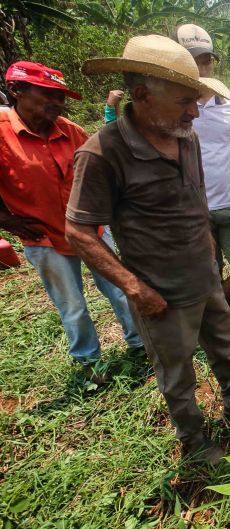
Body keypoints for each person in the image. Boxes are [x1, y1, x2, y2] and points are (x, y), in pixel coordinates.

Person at [65, 35, 230, 463]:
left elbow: (196, 201)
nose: (195, 110)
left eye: (198, 99)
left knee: (226, 349)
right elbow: (78, 231)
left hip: (204, 277)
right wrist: (134, 287)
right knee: (177, 373)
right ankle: (195, 442)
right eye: (186, 100)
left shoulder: (186, 137)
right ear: (143, 96)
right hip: (160, 294)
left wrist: (207, 249)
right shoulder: (102, 153)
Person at [0, 60, 142, 384]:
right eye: (48, 94)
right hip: (46, 237)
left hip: (92, 230)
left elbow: (100, 171)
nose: (57, 103)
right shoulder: (2, 135)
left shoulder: (71, 131)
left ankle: (139, 343)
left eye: (61, 96)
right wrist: (7, 219)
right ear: (16, 90)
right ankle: (91, 363)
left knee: (120, 288)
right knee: (73, 306)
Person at [174, 24, 230, 349]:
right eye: (195, 60)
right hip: (195, 211)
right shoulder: (175, 107)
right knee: (209, 275)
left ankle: (205, 316)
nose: (202, 67)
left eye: (206, 60)